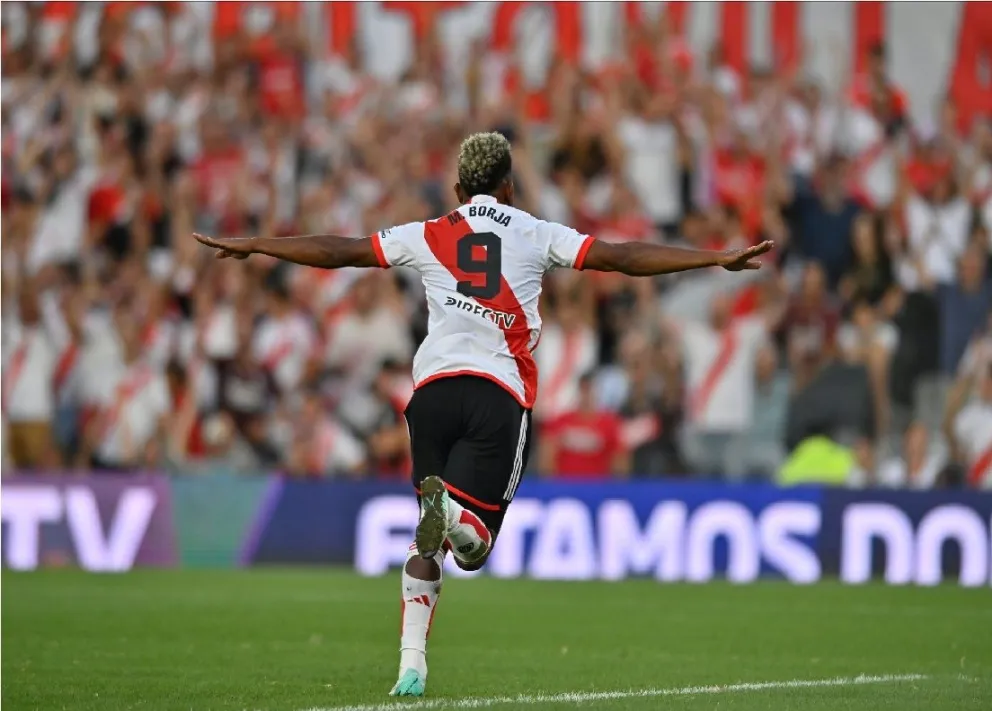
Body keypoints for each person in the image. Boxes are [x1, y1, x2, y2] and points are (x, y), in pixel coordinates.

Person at [192, 132, 773, 697]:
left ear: (457, 187)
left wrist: (261, 245)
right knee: (476, 549)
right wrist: (714, 258)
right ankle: (456, 521)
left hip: (433, 392)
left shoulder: (426, 232)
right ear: (510, 187)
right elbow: (621, 257)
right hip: (497, 390)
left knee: (427, 548)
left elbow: (340, 250)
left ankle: (410, 666)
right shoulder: (535, 232)